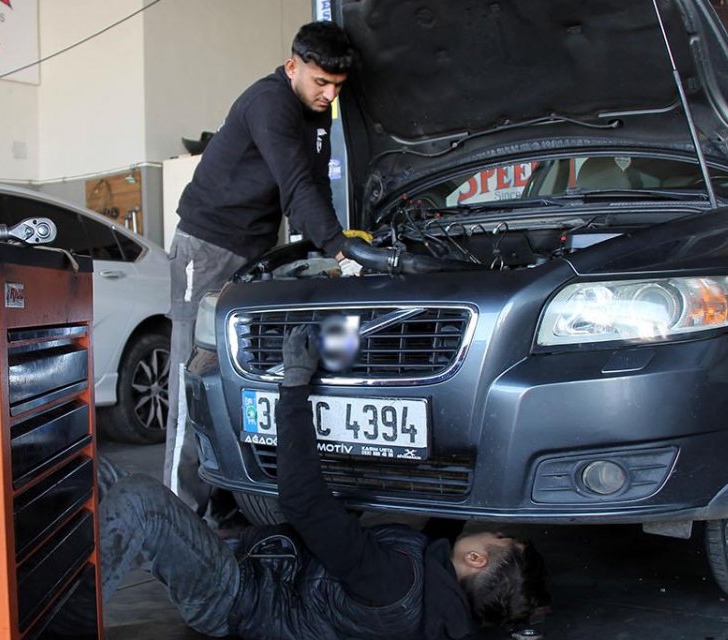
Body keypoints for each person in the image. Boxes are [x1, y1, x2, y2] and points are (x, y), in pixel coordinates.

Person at [95, 327, 551, 639]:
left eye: (502, 537)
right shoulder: (436, 594)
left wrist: (294, 386)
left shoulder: (396, 582)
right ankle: (29, 571)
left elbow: (303, 501)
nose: (495, 529)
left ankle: (51, 617)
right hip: (250, 571)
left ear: (477, 557)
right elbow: (445, 521)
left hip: (234, 594)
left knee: (141, 501)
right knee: (95, 473)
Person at [165, 21, 361, 516]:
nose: (329, 94)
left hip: (254, 253)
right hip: (205, 247)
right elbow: (295, 184)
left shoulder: (316, 113)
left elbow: (311, 191)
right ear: (293, 66)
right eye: (320, 82)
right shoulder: (269, 102)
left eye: (337, 86)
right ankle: (178, 517)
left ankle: (227, 501)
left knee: (237, 377)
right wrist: (340, 249)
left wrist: (327, 247)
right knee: (192, 380)